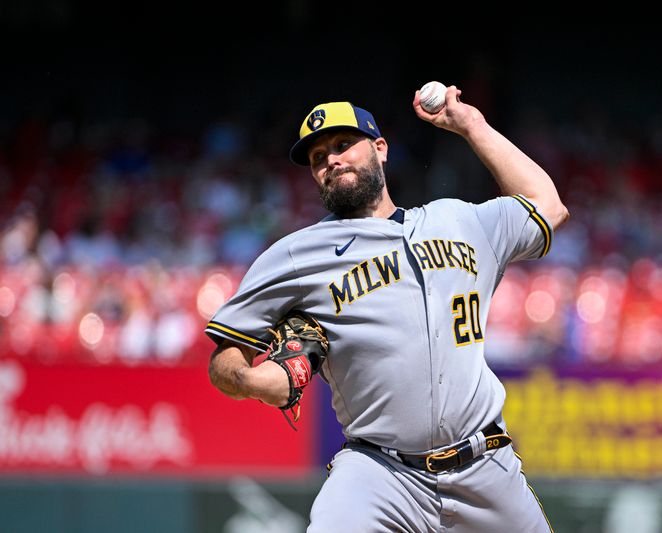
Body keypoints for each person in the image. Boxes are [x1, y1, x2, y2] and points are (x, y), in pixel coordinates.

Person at [206, 85, 569, 532]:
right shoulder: (296, 255)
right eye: (318, 158)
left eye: (342, 145)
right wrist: (255, 381)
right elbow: (224, 357)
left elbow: (548, 207)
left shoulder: (459, 219)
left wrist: (472, 125)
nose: (331, 160)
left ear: (380, 149)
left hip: (485, 464)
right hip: (379, 472)